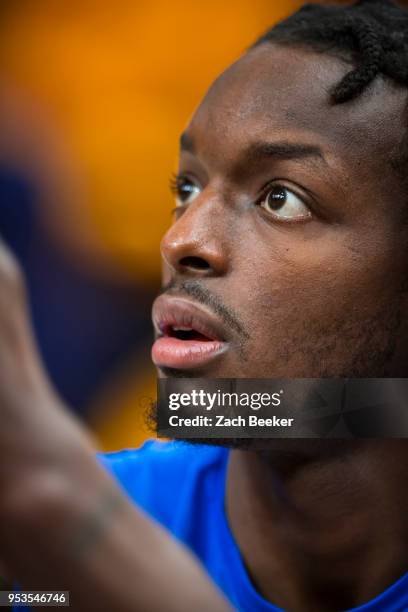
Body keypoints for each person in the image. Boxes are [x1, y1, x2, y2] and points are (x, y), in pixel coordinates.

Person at [0, 0, 407, 610]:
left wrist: (56, 498)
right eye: (186, 188)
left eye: (280, 200)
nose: (181, 240)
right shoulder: (56, 549)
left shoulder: (68, 516)